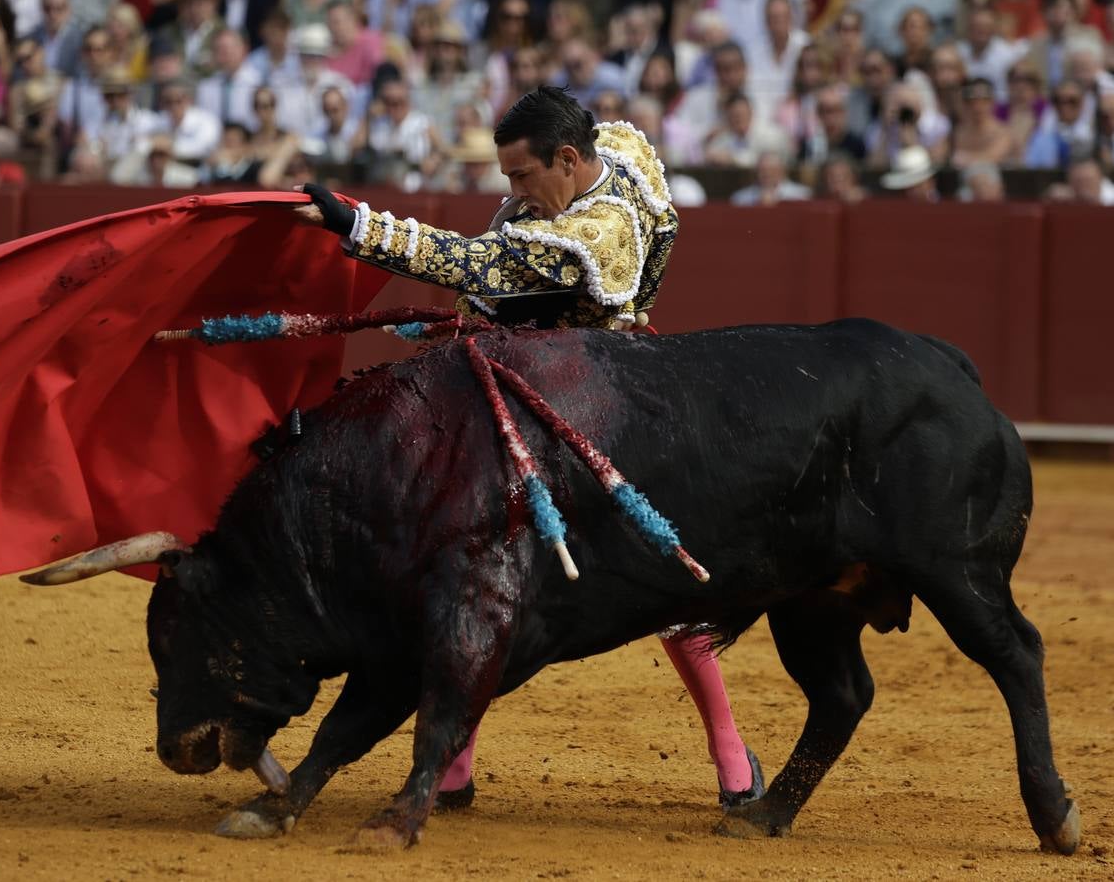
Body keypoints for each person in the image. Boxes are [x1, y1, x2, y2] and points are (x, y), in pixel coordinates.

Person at [291, 85, 765, 811]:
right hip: (553, 379)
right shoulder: (617, 150)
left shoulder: (594, 232)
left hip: (595, 403)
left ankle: (729, 751)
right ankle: (455, 766)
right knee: (485, 565)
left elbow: (471, 262)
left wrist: (354, 222)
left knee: (631, 577)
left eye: (521, 176)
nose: (511, 190)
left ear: (569, 160)